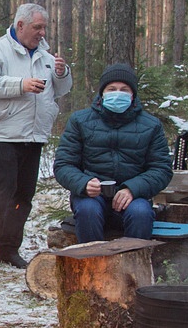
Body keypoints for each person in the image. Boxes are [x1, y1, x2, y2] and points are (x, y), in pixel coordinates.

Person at [0, 3, 72, 268]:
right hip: (2, 132)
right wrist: (20, 85)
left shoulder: (46, 56)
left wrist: (62, 73)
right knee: (2, 189)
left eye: (44, 28)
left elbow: (60, 90)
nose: (42, 33)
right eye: (37, 27)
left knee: (23, 194)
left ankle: (9, 248)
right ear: (20, 25)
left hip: (34, 134)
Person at [53, 64, 173, 243]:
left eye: (124, 89)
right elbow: (63, 164)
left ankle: (132, 266)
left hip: (134, 196)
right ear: (102, 93)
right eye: (112, 89)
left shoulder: (151, 125)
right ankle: (91, 264)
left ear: (133, 95)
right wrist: (84, 183)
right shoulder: (80, 121)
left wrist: (132, 188)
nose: (118, 93)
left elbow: (161, 169)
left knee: (141, 213)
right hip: (91, 196)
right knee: (87, 210)